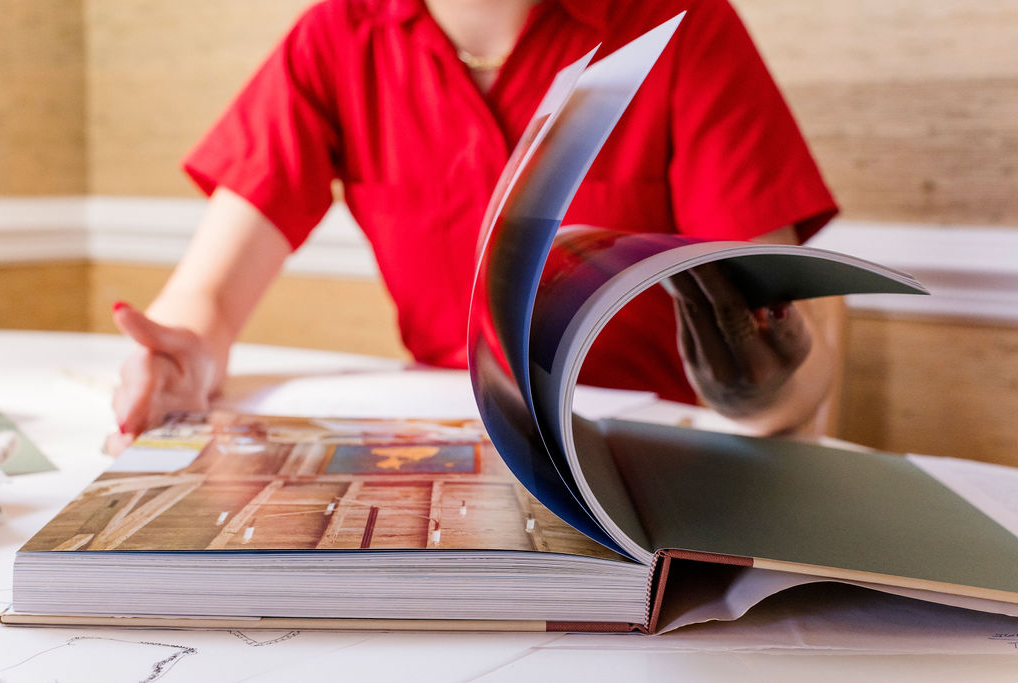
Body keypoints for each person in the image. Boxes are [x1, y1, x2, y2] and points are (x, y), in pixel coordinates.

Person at [109, 0, 842, 454]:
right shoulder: (337, 36)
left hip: (659, 461)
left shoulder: (682, 24)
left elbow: (777, 353)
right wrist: (179, 360)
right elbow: (207, 299)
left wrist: (759, 382)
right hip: (451, 452)